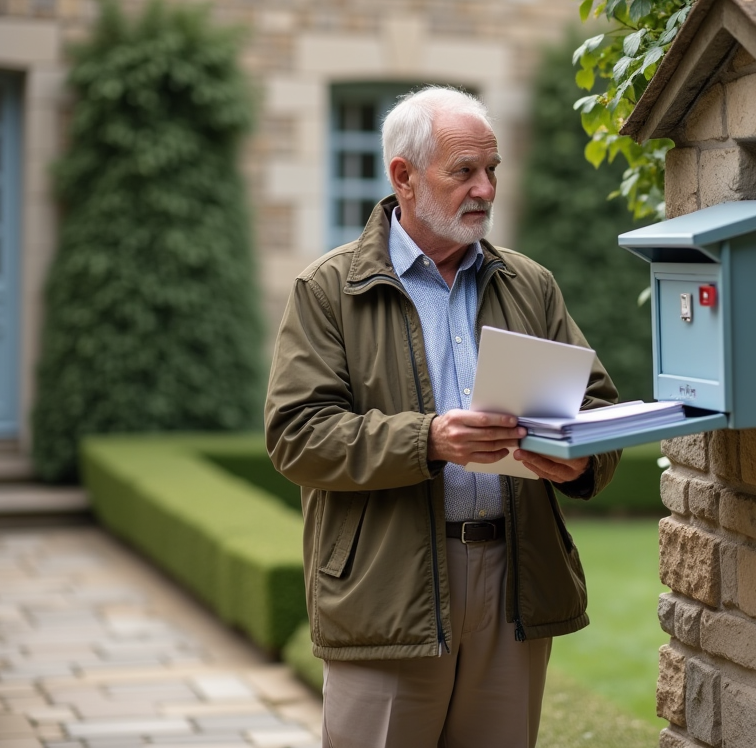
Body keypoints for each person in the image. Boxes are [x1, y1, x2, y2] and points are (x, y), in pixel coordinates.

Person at [264, 86, 620, 748]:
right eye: (464, 172)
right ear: (403, 176)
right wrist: (428, 440)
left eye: (493, 171)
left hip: (515, 584)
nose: (485, 188)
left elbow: (595, 406)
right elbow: (297, 436)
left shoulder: (531, 284)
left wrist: (581, 460)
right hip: (386, 590)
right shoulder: (328, 290)